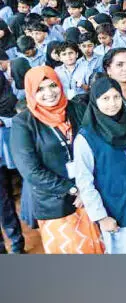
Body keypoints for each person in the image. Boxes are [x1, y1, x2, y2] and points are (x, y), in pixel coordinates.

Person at [11, 67, 103, 254]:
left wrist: (86, 188)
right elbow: (31, 171)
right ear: (31, 91)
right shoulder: (23, 122)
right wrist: (73, 189)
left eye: (53, 85)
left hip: (91, 195)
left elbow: (97, 147)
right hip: (55, 204)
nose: (49, 92)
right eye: (40, 89)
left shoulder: (77, 109)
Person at [73, 77, 126, 254]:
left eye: (116, 97)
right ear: (95, 101)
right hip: (113, 205)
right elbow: (85, 181)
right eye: (105, 98)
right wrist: (101, 217)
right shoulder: (86, 138)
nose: (112, 103)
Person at [0, 67, 24, 253]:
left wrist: (3, 121)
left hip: (7, 152)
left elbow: (17, 117)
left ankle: (16, 242)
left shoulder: (7, 97)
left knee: (3, 202)